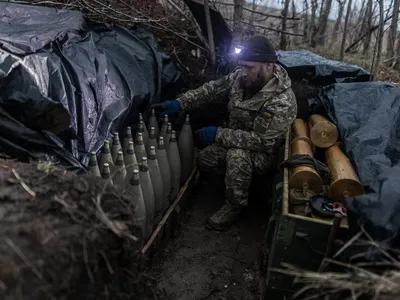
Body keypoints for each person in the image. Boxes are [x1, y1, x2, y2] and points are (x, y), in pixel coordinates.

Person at [152, 35, 297, 231]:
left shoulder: (281, 101)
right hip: (233, 139)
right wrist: (180, 103)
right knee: (204, 160)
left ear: (268, 66)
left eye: (249, 67)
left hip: (263, 154)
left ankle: (235, 206)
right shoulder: (240, 78)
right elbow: (211, 90)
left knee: (236, 157)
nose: (244, 72)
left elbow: (263, 142)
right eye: (242, 66)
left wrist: (218, 134)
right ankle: (238, 182)